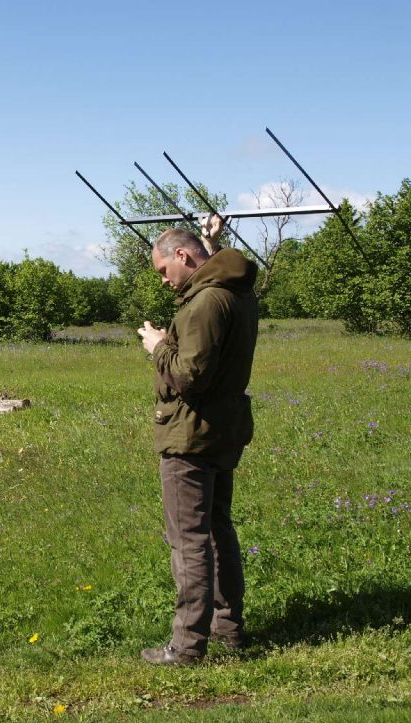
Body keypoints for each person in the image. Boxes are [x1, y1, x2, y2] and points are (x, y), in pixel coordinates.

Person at [136, 215, 259, 665]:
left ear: (182, 257)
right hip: (221, 431)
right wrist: (212, 240)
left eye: (164, 271)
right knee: (217, 531)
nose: (165, 282)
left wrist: (159, 346)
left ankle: (187, 647)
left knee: (189, 540)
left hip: (191, 435)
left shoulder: (207, 303)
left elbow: (189, 376)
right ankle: (227, 630)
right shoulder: (235, 291)